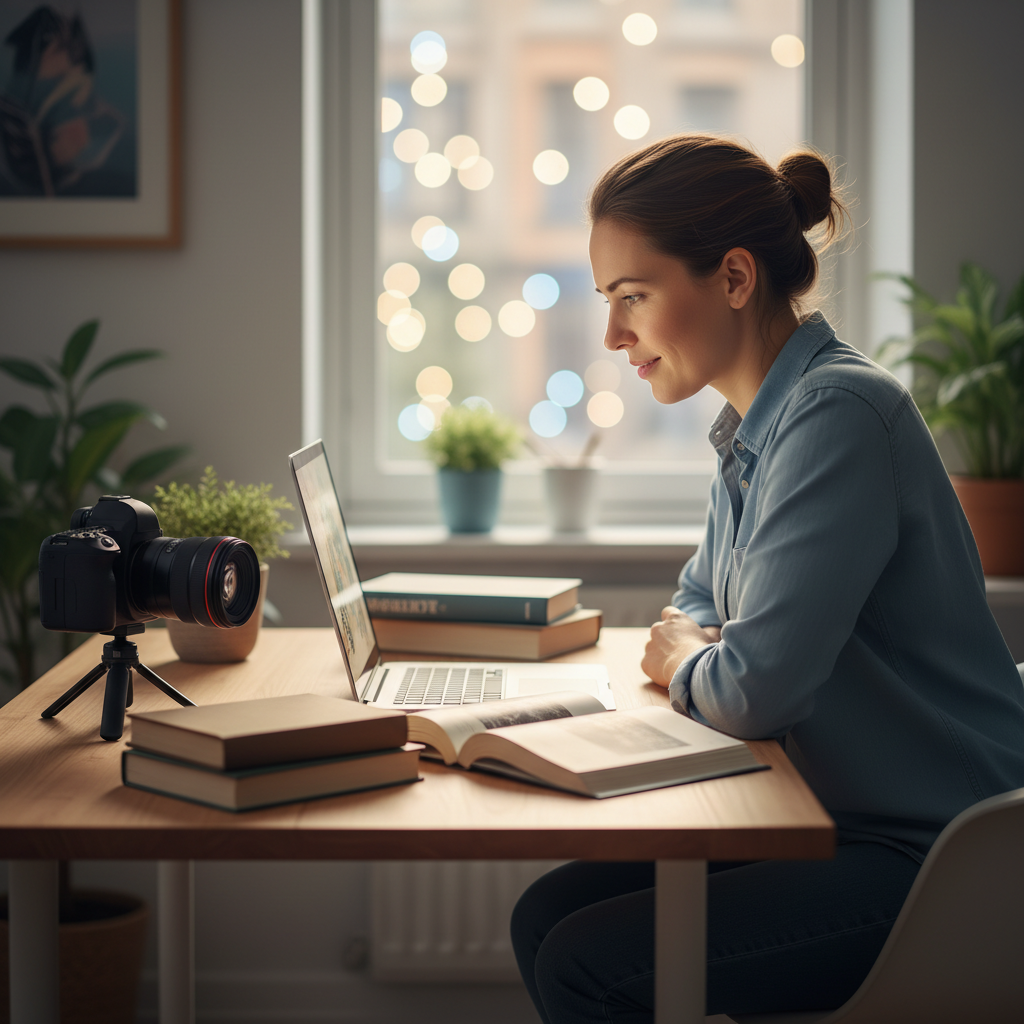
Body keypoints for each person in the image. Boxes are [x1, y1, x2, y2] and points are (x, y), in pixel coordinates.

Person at [510, 134, 1024, 1023]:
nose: (611, 334)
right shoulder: (758, 426)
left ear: (735, 278)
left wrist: (685, 663)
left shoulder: (837, 417)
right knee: (546, 913)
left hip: (935, 856)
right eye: (608, 300)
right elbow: (698, 603)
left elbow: (751, 689)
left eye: (633, 295)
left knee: (588, 964)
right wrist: (703, 648)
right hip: (835, 819)